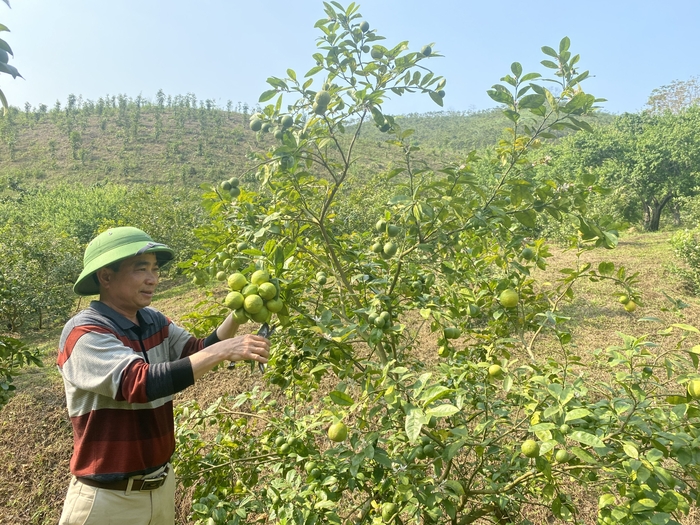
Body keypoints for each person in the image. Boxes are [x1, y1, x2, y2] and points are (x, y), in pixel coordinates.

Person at [57, 226, 270, 525]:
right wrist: (225, 351)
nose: (153, 278)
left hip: (159, 488)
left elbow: (196, 350)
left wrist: (239, 312)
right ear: (105, 277)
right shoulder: (84, 333)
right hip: (107, 500)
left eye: (155, 269)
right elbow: (140, 383)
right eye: (140, 268)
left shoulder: (153, 320)